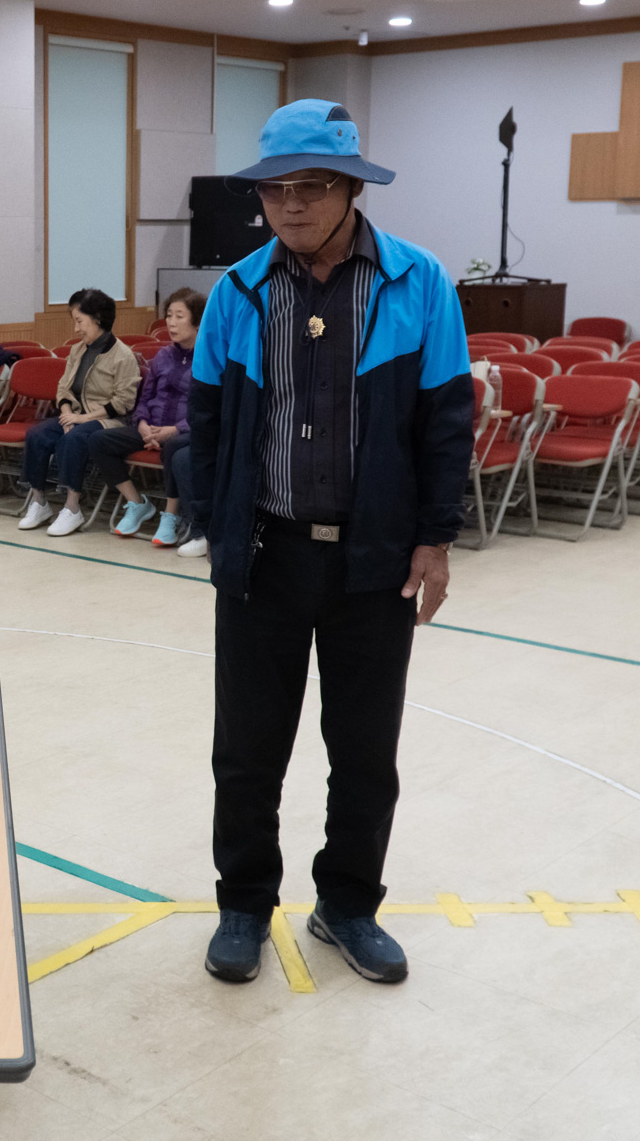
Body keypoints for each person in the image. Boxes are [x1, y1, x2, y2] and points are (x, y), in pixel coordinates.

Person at [189, 99, 472, 985]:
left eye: (312, 186)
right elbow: (205, 422)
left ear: (352, 188)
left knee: (364, 755)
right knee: (247, 753)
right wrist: (216, 529)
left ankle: (347, 905)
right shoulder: (237, 292)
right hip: (264, 556)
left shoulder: (419, 284)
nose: (292, 204)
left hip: (372, 562)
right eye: (276, 189)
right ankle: (244, 905)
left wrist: (434, 539)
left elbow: (446, 422)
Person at [16, 289, 142, 538]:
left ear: (98, 319)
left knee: (74, 438)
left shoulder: (123, 356)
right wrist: (66, 415)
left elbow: (124, 403)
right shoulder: (77, 350)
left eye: (79, 321)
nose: (76, 329)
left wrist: (82, 419)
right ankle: (39, 501)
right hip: (75, 415)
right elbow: (63, 387)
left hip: (108, 420)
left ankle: (72, 507)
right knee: (37, 435)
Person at [87, 287, 203, 546]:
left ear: (197, 321)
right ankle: (137, 502)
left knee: (174, 447)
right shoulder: (164, 355)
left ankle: (170, 515)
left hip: (184, 432)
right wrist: (142, 424)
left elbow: (207, 408)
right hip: (151, 428)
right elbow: (146, 396)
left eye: (179, 316)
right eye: (169, 315)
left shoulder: (208, 358)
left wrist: (175, 429)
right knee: (98, 440)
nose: (171, 322)